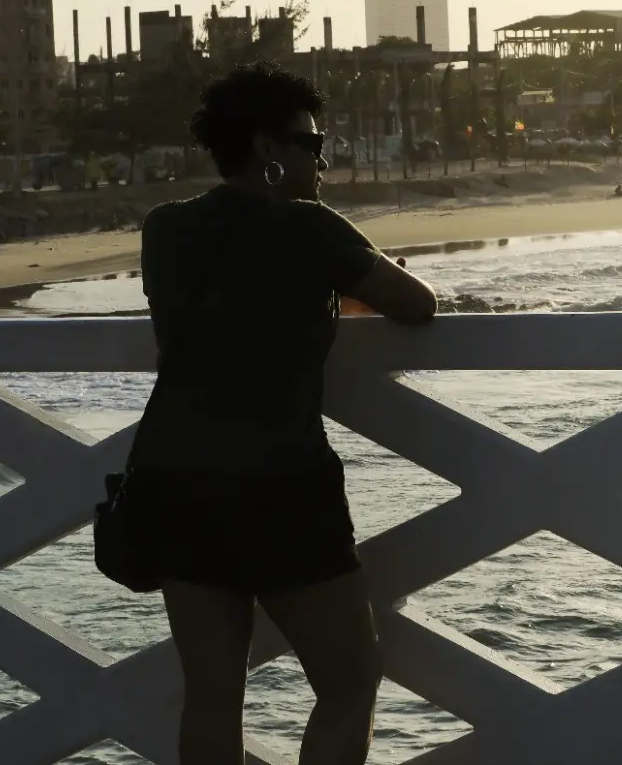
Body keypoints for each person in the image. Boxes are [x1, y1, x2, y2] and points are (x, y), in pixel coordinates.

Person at [124, 61, 438, 765]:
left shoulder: (165, 230)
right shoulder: (309, 230)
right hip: (278, 482)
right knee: (350, 680)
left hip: (174, 480)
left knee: (211, 696)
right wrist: (330, 245)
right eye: (313, 144)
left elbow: (235, 298)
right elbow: (417, 304)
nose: (322, 160)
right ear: (269, 149)